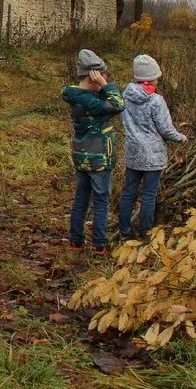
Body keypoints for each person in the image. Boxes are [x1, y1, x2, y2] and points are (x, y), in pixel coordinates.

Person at [63, 49, 125, 254]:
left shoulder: (75, 95)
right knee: (100, 201)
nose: (106, 78)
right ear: (94, 75)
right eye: (103, 75)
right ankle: (99, 244)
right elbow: (118, 104)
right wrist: (107, 86)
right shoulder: (90, 101)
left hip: (81, 154)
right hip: (99, 158)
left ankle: (76, 240)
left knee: (81, 197)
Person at [118, 54, 186, 241]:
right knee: (148, 195)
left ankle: (124, 231)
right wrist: (180, 137)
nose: (158, 78)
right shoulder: (156, 100)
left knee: (129, 192)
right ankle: (146, 233)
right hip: (153, 156)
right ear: (150, 77)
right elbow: (165, 129)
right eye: (156, 75)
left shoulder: (125, 96)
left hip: (133, 153)